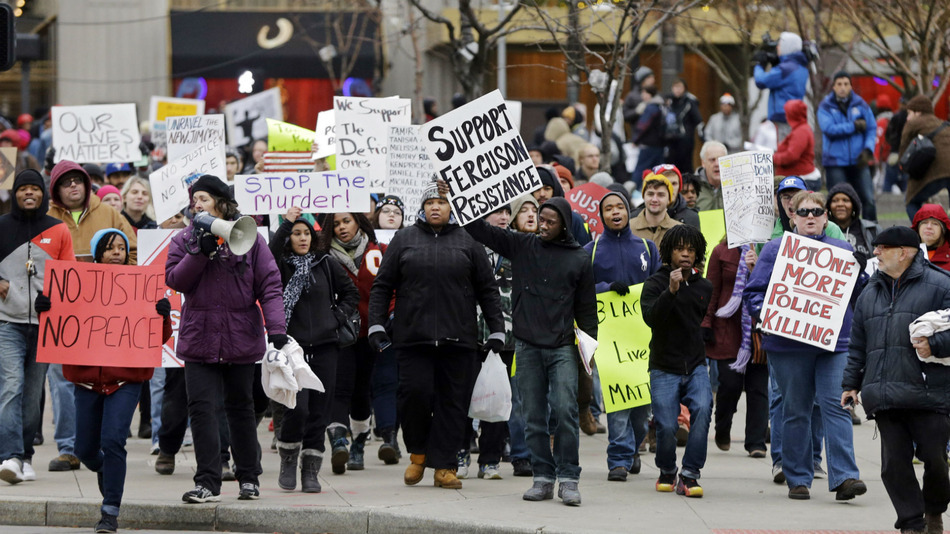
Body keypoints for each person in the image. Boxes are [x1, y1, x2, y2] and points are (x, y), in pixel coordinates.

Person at [460, 189, 597, 506]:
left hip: (563, 347)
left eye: (550, 220)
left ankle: (569, 478)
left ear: (564, 224)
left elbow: (587, 311)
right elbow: (477, 228)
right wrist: (463, 197)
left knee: (564, 413)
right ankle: (543, 478)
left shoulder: (579, 258)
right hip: (527, 347)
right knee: (533, 417)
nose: (543, 224)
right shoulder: (521, 245)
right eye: (540, 219)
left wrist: (589, 351)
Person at [367, 185, 505, 491]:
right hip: (413, 339)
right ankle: (418, 454)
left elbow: (487, 289)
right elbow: (382, 286)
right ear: (422, 207)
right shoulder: (404, 239)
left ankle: (445, 466)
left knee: (452, 404)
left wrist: (497, 329)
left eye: (441, 202)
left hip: (459, 340)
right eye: (429, 202)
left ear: (450, 206)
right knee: (413, 396)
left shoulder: (469, 241)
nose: (435, 207)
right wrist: (376, 325)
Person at [165, 174, 286, 503]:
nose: (197, 204)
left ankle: (249, 477)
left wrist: (276, 328)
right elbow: (176, 280)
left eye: (203, 198)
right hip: (199, 337)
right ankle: (207, 481)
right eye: (194, 200)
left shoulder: (250, 238)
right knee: (202, 410)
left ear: (220, 203)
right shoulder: (185, 240)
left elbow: (270, 285)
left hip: (240, 337)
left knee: (240, 409)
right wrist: (199, 254)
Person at [744, 190, 867, 501]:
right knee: (796, 410)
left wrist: (861, 273)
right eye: (804, 212)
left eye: (816, 211)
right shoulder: (775, 250)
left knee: (836, 406)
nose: (810, 216)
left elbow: (860, 297)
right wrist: (769, 316)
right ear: (792, 218)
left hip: (833, 343)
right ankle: (798, 478)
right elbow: (753, 293)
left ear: (826, 218)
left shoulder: (842, 251)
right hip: (788, 344)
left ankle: (845, 477)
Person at [843, 225, 950, 534]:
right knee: (893, 467)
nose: (875, 252)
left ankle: (934, 509)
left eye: (882, 248)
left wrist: (936, 345)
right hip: (885, 392)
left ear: (904, 252)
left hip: (929, 391)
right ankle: (912, 523)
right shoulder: (870, 291)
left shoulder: (941, 285)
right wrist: (850, 383)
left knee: (936, 461)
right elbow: (858, 344)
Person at [62, 228, 170, 533]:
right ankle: (106, 470)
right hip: (86, 381)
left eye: (121, 247)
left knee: (113, 441)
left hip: (125, 381)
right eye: (109, 248)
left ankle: (110, 512)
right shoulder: (79, 286)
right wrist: (47, 309)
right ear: (98, 254)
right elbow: (61, 324)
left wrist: (161, 315)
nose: (116, 253)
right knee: (84, 450)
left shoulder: (141, 288)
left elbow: (157, 339)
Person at [270, 207, 359, 493]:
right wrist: (285, 223)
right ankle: (288, 458)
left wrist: (335, 319)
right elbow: (269, 254)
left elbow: (351, 294)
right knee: (297, 409)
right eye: (296, 233)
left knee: (319, 411)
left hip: (325, 348)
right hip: (291, 349)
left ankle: (310, 469)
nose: (302, 238)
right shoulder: (279, 264)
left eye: (306, 232)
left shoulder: (326, 263)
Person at [0, 170, 74, 485]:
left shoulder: (58, 230)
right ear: (14, 193)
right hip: (7, 323)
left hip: (46, 327)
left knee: (32, 399)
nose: (29, 193)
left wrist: (53, 300)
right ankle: (10, 456)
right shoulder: (1, 227)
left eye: (35, 189)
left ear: (43, 194)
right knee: (10, 389)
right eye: (23, 189)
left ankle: (26, 456)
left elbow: (70, 277)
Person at [585, 190, 660, 482]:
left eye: (620, 207)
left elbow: (657, 285)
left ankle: (632, 448)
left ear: (628, 211)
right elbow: (581, 289)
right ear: (601, 216)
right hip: (609, 339)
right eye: (608, 209)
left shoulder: (647, 247)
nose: (615, 212)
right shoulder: (590, 250)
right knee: (617, 402)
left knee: (642, 405)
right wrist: (605, 288)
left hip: (641, 338)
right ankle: (617, 459)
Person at [641, 224, 713, 497]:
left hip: (695, 365)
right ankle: (667, 470)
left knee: (704, 411)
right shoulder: (655, 283)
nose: (685, 254)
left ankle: (691, 474)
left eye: (691, 250)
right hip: (663, 366)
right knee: (667, 424)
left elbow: (696, 321)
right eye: (680, 249)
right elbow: (652, 319)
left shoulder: (704, 285)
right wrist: (670, 292)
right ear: (669, 252)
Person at [323, 211, 388, 473]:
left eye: (346, 221)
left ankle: (358, 443)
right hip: (338, 332)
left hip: (369, 333)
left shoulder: (377, 251)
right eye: (336, 224)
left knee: (362, 392)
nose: (341, 227)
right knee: (339, 388)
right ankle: (339, 441)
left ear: (358, 223)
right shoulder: (323, 255)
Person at [459, 205, 518, 481]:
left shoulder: (518, 246)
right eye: (497, 212)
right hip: (468, 335)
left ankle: (490, 460)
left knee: (497, 397)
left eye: (507, 212)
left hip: (505, 336)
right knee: (462, 397)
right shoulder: (467, 245)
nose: (504, 217)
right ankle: (459, 452)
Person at [702, 240, 768, 458]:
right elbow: (712, 290)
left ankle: (756, 442)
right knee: (729, 385)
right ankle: (722, 428)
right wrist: (706, 323)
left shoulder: (768, 250)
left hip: (758, 328)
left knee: (758, 387)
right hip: (727, 327)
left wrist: (756, 268)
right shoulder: (721, 251)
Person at [817, 71, 878, 222]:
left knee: (868, 199)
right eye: (839, 84)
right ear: (833, 86)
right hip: (835, 162)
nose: (842, 87)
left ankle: (873, 234)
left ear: (851, 86)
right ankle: (835, 237)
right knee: (836, 203)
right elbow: (829, 129)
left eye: (846, 84)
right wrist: (854, 126)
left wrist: (868, 149)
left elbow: (871, 128)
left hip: (859, 160)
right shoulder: (825, 106)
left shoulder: (861, 104)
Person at [899, 95, 950, 222]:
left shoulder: (913, 123)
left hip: (934, 172)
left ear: (918, 112)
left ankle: (922, 234)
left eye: (909, 113)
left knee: (911, 202)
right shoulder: (943, 123)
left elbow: (904, 153)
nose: (907, 117)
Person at [753, 32, 809, 141]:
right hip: (792, 116)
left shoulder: (786, 69)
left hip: (782, 118)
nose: (777, 48)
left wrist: (760, 64)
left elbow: (761, 81)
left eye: (779, 45)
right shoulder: (800, 66)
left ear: (786, 47)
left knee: (781, 152)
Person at [630, 164, 700, 229]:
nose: (671, 188)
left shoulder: (691, 217)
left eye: (674, 183)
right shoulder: (634, 217)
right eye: (666, 183)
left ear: (679, 187)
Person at [773, 100, 819, 191]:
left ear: (794, 114)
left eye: (788, 113)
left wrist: (774, 157)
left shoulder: (801, 131)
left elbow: (792, 155)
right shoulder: (800, 129)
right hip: (798, 178)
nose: (786, 116)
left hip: (802, 179)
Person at [826, 183, 880, 257]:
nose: (840, 204)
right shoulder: (820, 230)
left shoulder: (873, 229)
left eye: (845, 200)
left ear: (854, 205)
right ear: (828, 207)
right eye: (835, 201)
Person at [630, 173, 682, 247]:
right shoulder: (628, 229)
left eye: (661, 195)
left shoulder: (679, 231)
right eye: (650, 194)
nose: (654, 199)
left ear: (669, 199)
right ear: (643, 197)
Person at [664, 79, 704, 174]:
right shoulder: (668, 102)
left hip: (685, 140)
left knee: (686, 166)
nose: (677, 90)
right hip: (671, 139)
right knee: (671, 166)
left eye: (679, 87)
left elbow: (698, 121)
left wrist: (702, 137)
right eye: (675, 87)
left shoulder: (689, 102)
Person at [632, 85, 667, 187]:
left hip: (648, 144)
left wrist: (636, 140)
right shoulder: (662, 105)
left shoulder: (651, 107)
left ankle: (635, 191)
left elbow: (643, 125)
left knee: (640, 170)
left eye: (644, 93)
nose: (642, 95)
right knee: (658, 171)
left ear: (649, 94)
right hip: (660, 144)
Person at [911, 204, 950, 271]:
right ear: (918, 228)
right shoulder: (906, 256)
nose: (929, 226)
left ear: (943, 231)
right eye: (924, 222)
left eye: (935, 224)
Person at [694, 142, 727, 211]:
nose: (717, 164)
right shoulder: (693, 187)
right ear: (703, 163)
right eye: (712, 160)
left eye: (721, 160)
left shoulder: (735, 186)